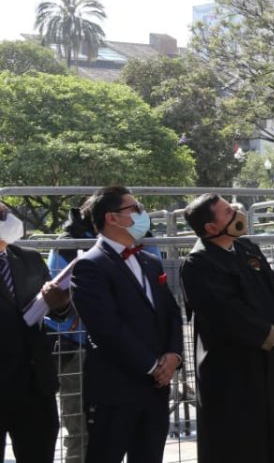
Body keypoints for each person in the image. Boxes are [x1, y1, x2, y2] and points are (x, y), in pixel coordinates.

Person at [179, 193, 274, 463]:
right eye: (228, 212)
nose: (237, 213)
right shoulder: (198, 264)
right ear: (211, 228)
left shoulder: (248, 249)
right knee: (242, 444)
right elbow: (225, 313)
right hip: (235, 373)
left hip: (273, 366)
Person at [70, 186, 183, 463]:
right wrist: (152, 365)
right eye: (135, 208)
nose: (143, 214)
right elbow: (107, 328)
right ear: (113, 218)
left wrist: (173, 355)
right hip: (115, 390)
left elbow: (171, 312)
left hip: (155, 390)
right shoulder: (89, 266)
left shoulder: (151, 261)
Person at [0, 202, 71, 463]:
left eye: (7, 214)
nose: (8, 220)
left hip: (35, 386)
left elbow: (55, 313)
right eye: (0, 216)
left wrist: (61, 303)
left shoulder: (28, 258)